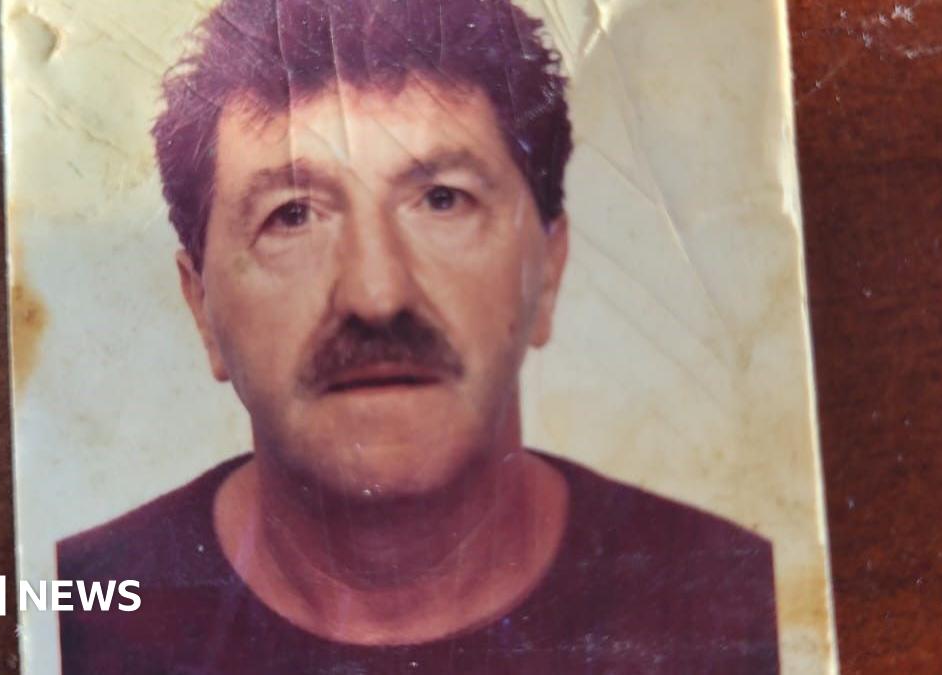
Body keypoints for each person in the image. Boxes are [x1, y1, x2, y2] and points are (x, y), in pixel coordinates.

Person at [57, 0, 779, 671]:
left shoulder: (738, 597)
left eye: (442, 200)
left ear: (548, 270)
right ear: (202, 306)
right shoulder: (71, 614)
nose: (377, 294)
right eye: (294, 214)